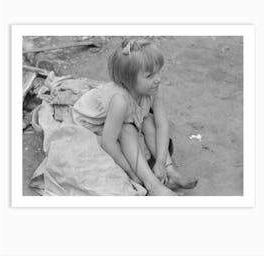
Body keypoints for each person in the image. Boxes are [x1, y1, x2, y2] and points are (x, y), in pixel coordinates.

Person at [72, 38, 198, 196]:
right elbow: (108, 142)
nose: (158, 79)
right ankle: (153, 185)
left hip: (122, 119)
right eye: (150, 75)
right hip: (92, 125)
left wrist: (160, 162)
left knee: (149, 121)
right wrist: (132, 173)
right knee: (127, 130)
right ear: (128, 80)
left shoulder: (153, 90)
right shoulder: (120, 101)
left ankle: (170, 170)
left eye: (158, 72)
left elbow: (162, 125)